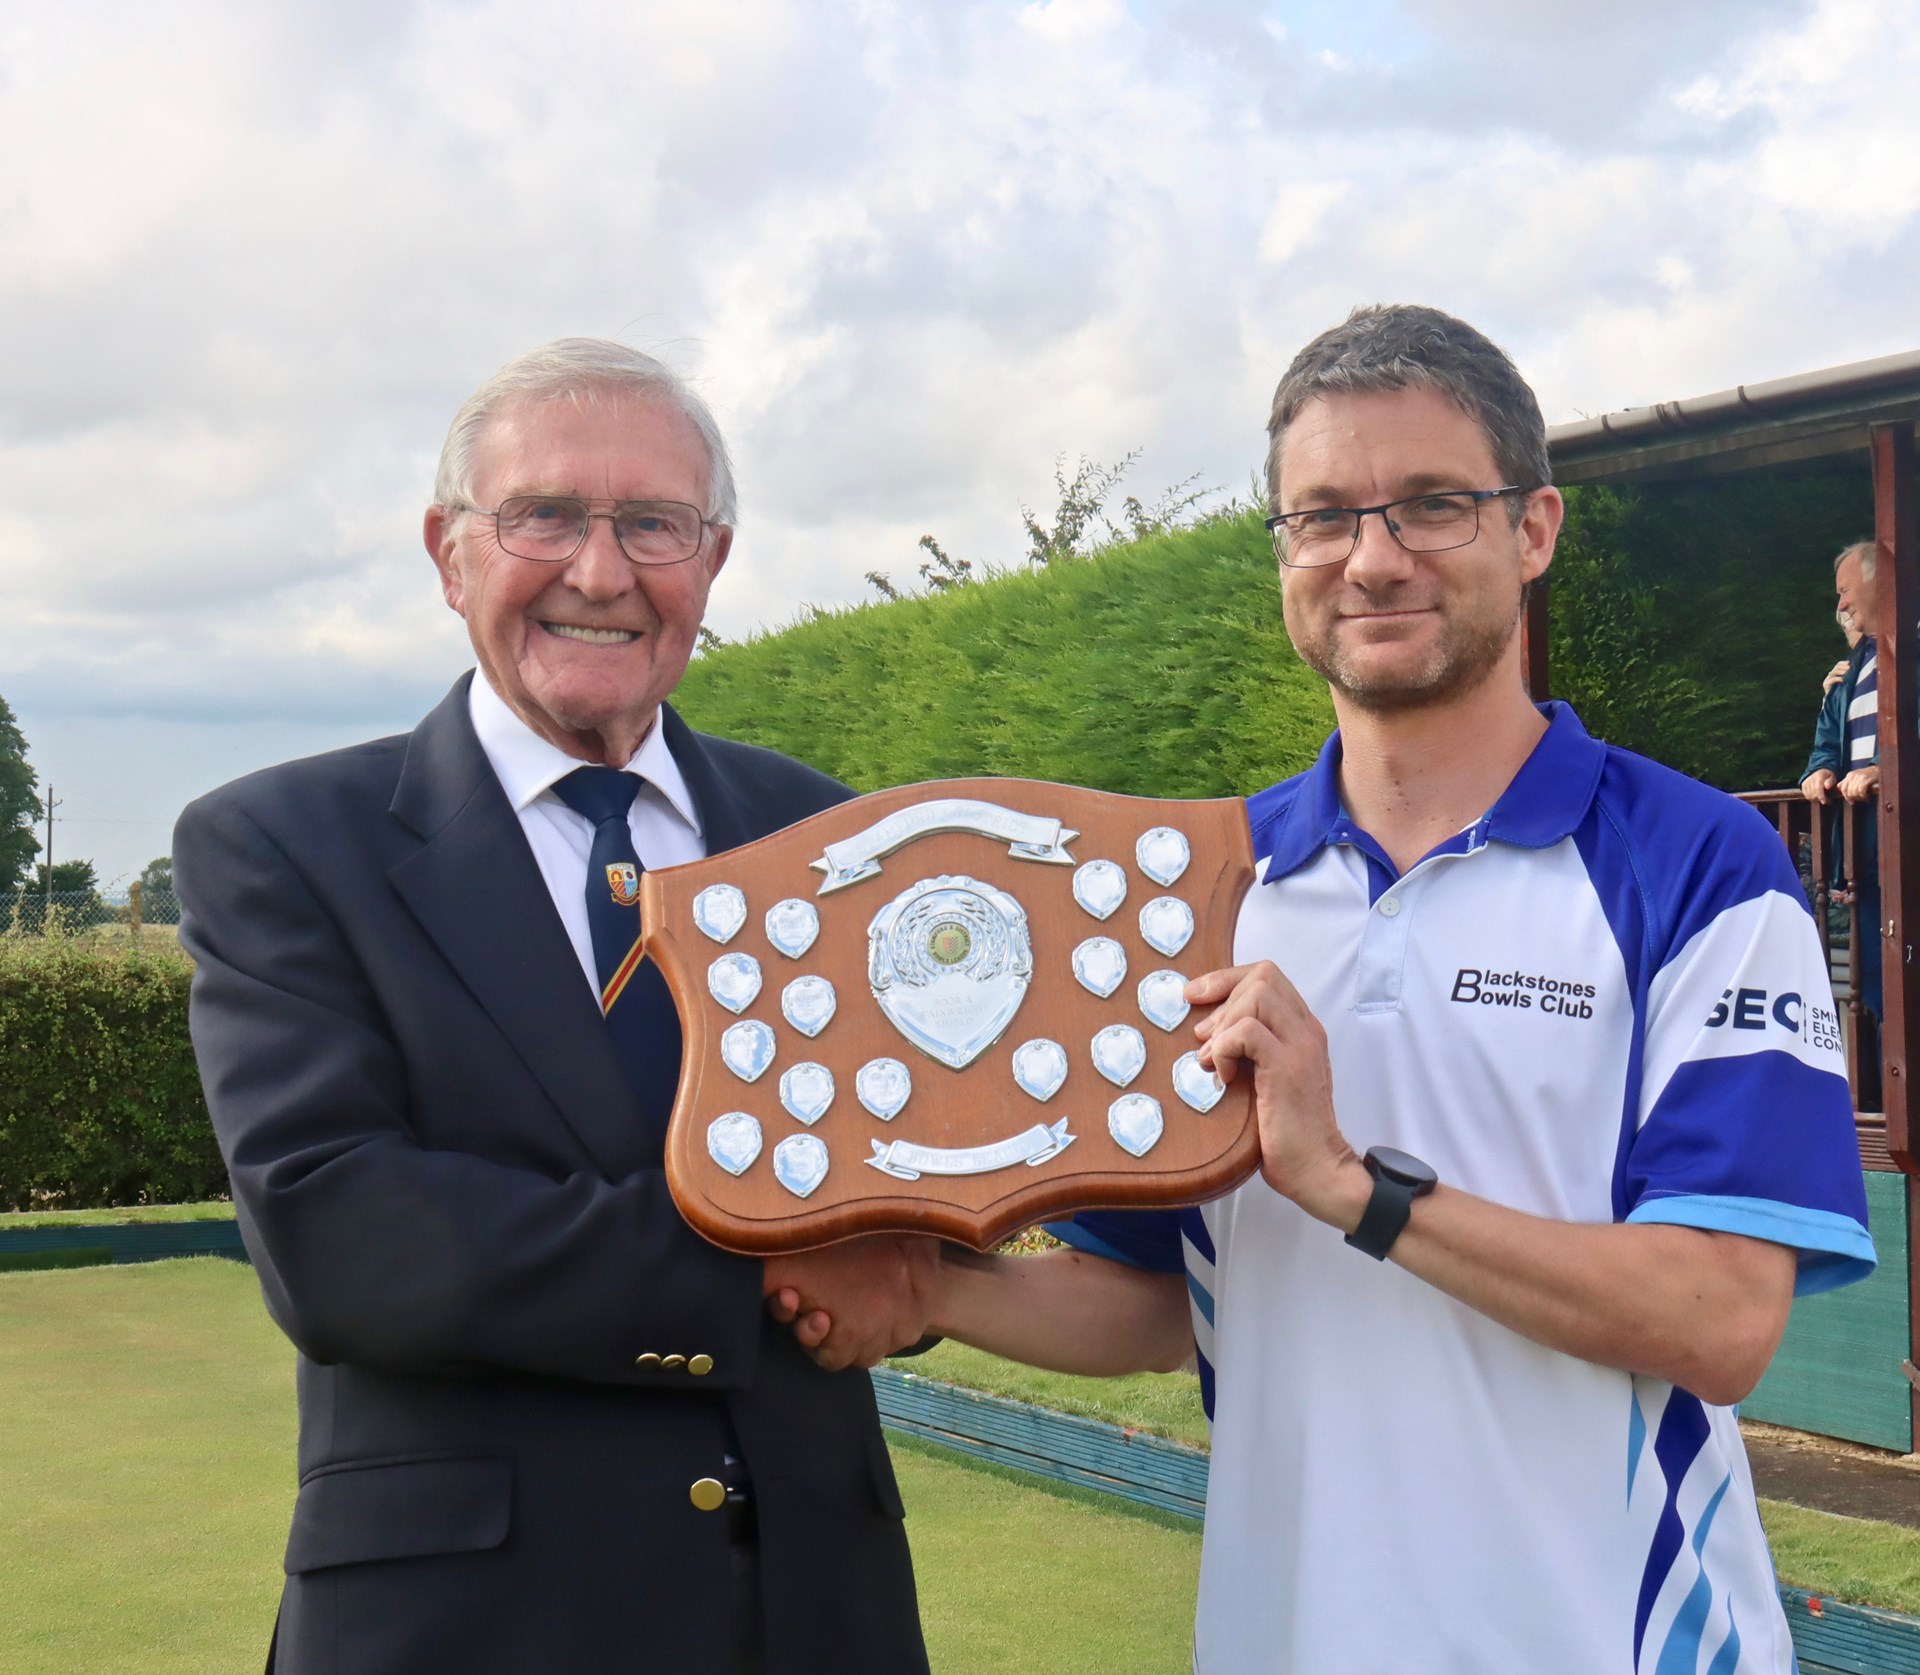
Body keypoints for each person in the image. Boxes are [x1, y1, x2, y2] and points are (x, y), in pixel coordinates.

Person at [772, 306, 1877, 1673]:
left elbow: (1719, 1318)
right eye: (1324, 516)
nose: (1374, 557)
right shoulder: (1196, 886)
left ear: (1533, 531)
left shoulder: (1699, 860)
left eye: (1432, 506)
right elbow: (1162, 1293)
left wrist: (1356, 1183)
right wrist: (932, 1286)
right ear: (1285, 552)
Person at [174, 340, 932, 1675]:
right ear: (449, 550)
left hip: (816, 1613)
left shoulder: (829, 832)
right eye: (545, 515)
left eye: (654, 523)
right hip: (461, 1626)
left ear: (713, 556)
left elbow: (906, 1161)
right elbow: (344, 1235)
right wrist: (772, 1261)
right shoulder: (285, 842)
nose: (601, 570)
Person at [1801, 541, 1881, 1021]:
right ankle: (1892, 1096)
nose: (1841, 606)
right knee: (1878, 989)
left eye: (1845, 592)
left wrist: (1885, 772)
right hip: (1871, 855)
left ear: (1880, 581)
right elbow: (1826, 744)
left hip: (1900, 845)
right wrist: (1820, 771)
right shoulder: (1852, 670)